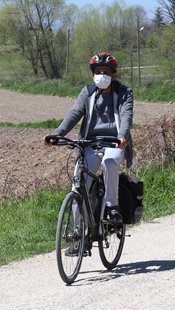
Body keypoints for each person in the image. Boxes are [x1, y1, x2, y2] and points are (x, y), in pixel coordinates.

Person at [44, 52, 134, 223]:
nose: (102, 75)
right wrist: (57, 134)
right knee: (78, 188)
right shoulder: (87, 92)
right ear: (92, 74)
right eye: (98, 72)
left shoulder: (124, 93)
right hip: (90, 145)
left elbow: (126, 116)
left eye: (106, 72)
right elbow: (74, 114)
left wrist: (122, 136)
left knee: (109, 163)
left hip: (114, 144)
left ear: (113, 74)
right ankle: (78, 237)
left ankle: (111, 206)